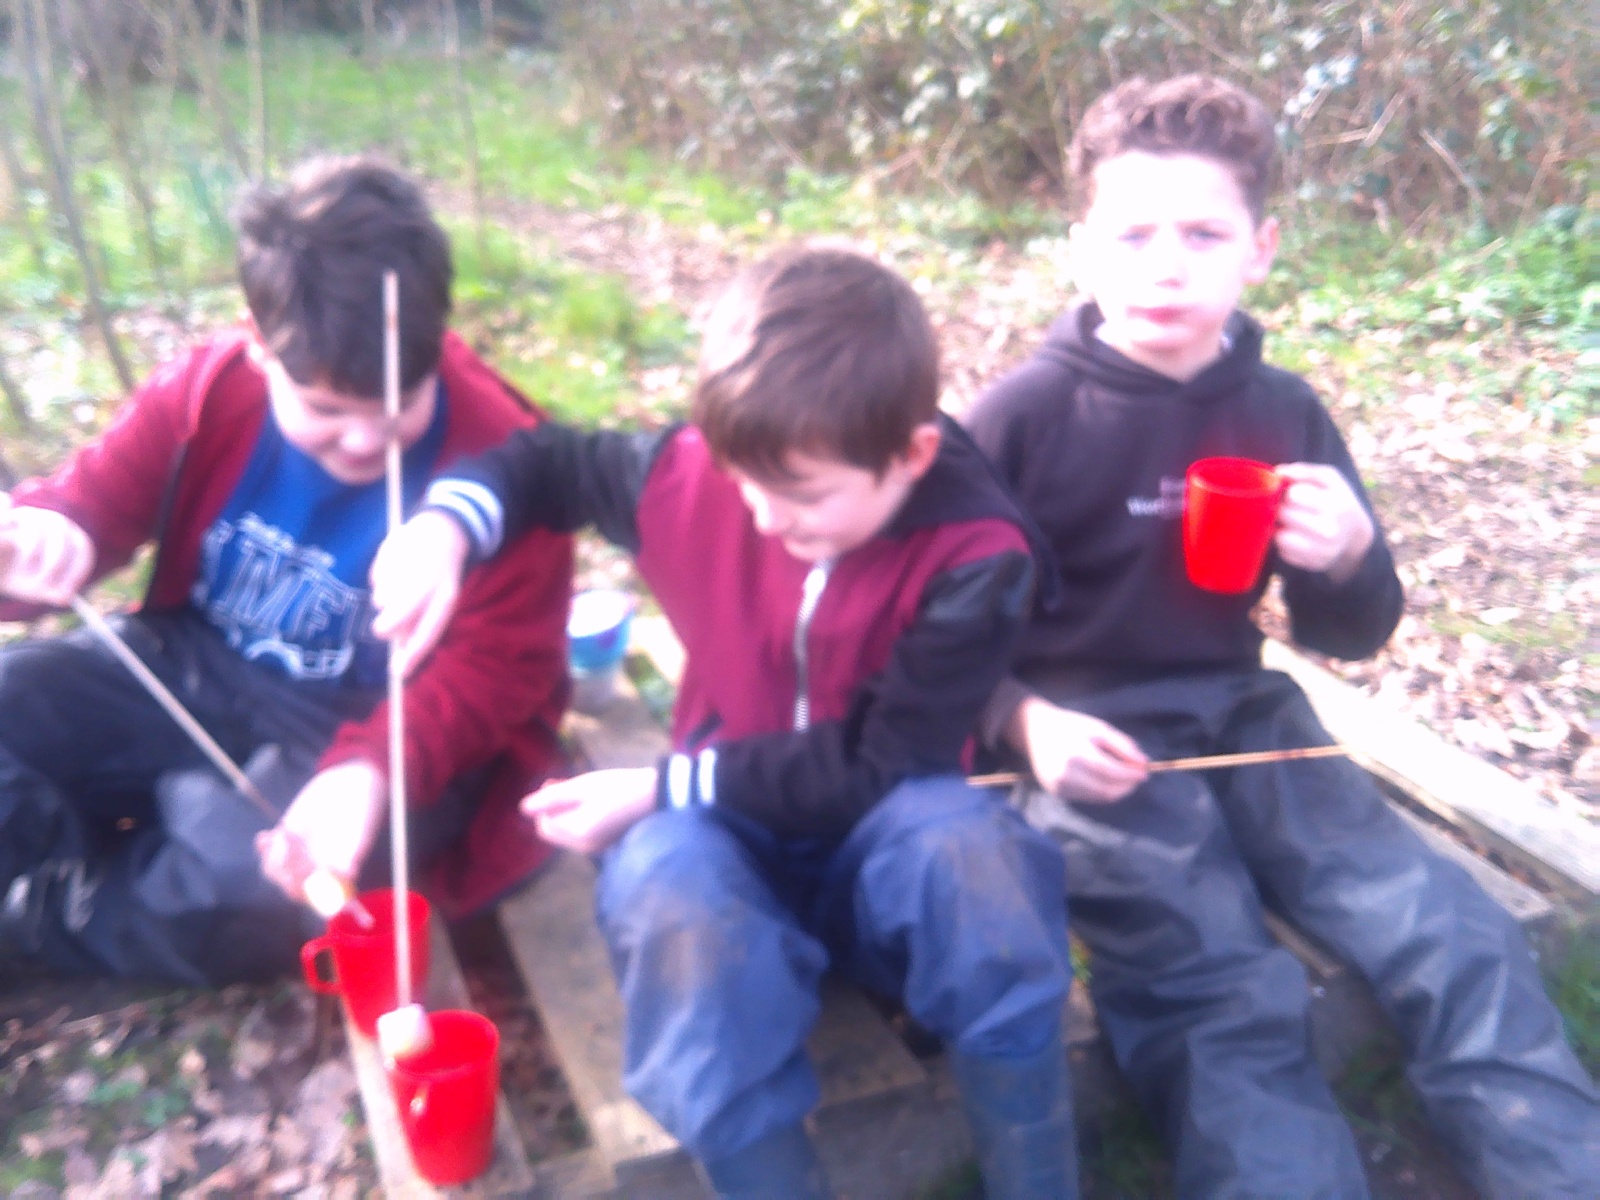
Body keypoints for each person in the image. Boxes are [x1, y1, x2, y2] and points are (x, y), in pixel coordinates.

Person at [964, 73, 1599, 1198]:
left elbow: (1351, 634)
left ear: (1260, 250)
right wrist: (1023, 723)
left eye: (1203, 235)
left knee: (1445, 929)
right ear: (1080, 249)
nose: (1166, 265)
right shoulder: (1017, 420)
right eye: (1132, 235)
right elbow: (928, 635)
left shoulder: (1283, 410)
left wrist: (1348, 559)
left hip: (1247, 715)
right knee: (1213, 986)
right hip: (1090, 745)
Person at [371, 245, 1079, 1199]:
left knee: (974, 856)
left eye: (804, 497)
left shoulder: (977, 553)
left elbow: (880, 765)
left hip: (885, 849)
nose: (765, 519)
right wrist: (447, 526)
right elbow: (548, 462)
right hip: (729, 842)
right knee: (668, 886)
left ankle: (1036, 1178)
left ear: (911, 457)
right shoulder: (695, 477)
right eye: (746, 483)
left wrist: (660, 786)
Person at [0, 156, 573, 985]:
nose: (365, 442)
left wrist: (367, 772)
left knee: (257, 887)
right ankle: (91, 846)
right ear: (258, 345)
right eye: (327, 411)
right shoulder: (207, 391)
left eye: (398, 409)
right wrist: (48, 538)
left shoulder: (507, 453)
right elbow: (90, 507)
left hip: (381, 721)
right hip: (195, 663)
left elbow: (498, 675)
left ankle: (40, 916)